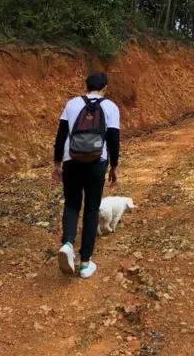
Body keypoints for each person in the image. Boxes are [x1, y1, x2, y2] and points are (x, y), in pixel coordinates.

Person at [52, 72, 120, 279]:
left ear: (86, 86)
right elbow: (114, 139)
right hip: (97, 162)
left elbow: (61, 135)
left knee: (71, 204)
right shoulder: (110, 107)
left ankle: (67, 244)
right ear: (105, 88)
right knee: (91, 208)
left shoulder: (72, 104)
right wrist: (114, 166)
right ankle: (84, 263)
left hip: (71, 159)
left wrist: (57, 164)